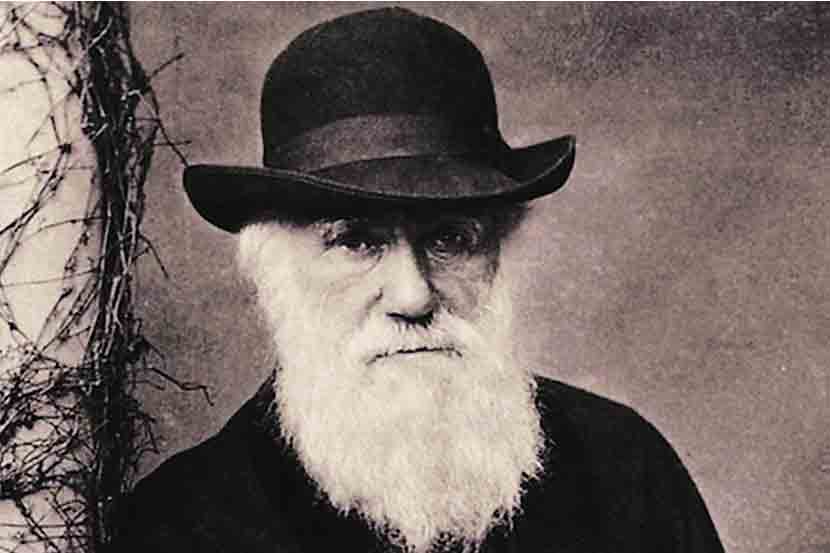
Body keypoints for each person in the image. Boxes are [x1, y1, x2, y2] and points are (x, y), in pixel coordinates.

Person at [113, 8, 725, 553]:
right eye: (356, 241)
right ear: (275, 271)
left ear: (499, 255)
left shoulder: (624, 470)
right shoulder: (182, 526)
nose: (413, 296)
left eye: (450, 239)